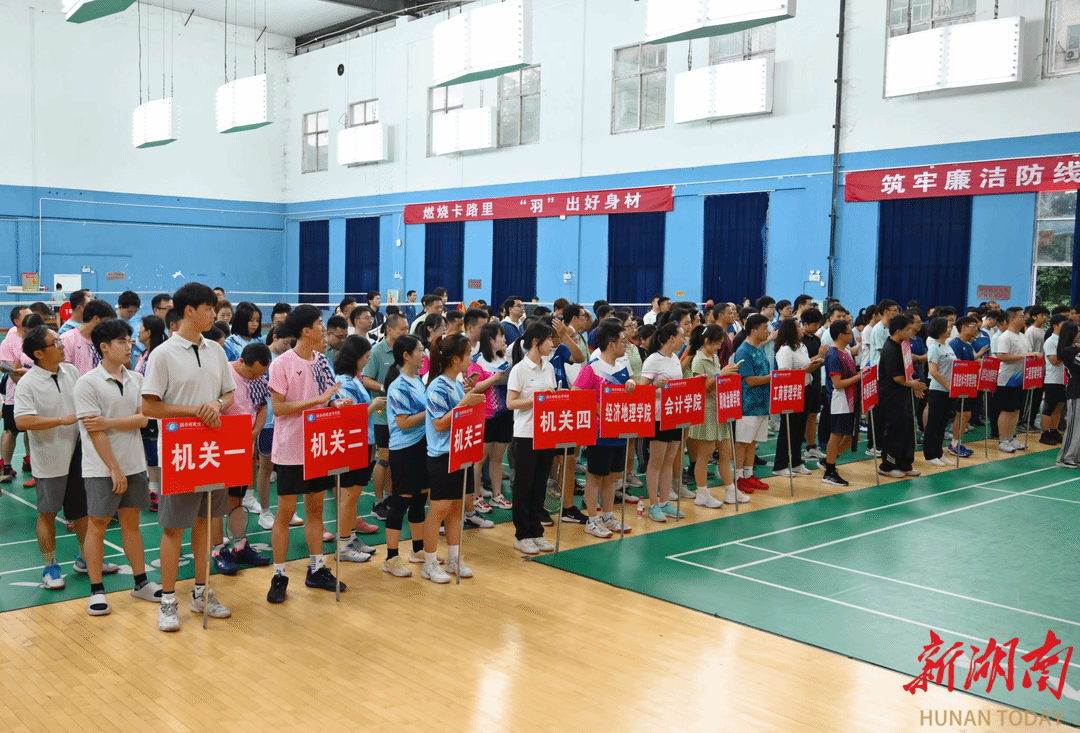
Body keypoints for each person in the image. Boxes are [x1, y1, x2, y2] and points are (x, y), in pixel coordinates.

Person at [141, 282, 235, 632]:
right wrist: (195, 411)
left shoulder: (216, 350)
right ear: (189, 311)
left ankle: (201, 591)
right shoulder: (163, 354)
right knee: (173, 528)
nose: (214, 314)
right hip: (179, 453)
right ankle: (168, 600)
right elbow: (149, 406)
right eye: (209, 308)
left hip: (212, 451)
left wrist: (217, 404)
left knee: (204, 523)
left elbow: (228, 394)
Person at [74, 318, 163, 615]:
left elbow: (143, 419)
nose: (129, 346)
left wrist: (109, 421)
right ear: (104, 347)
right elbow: (94, 431)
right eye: (122, 341)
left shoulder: (136, 379)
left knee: (132, 524)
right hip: (102, 469)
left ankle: (141, 583)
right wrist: (114, 468)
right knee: (98, 524)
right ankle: (96, 590)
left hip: (135, 464)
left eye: (129, 340)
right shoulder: (87, 383)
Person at [265, 305, 348, 604]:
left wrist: (334, 404)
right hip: (290, 451)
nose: (323, 328)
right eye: (319, 324)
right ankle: (279, 575)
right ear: (305, 330)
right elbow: (279, 408)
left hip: (317, 448)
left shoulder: (322, 361)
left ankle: (316, 569)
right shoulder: (281, 364)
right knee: (285, 514)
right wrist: (318, 400)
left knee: (315, 510)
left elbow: (326, 398)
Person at [15, 325, 104, 590]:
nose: (62, 345)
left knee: (82, 513)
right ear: (39, 353)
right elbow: (22, 421)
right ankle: (50, 565)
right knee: (47, 514)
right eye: (55, 343)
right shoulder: (28, 383)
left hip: (78, 456)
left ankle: (86, 559)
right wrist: (60, 420)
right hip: (49, 460)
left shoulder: (71, 372)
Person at [421, 335, 486, 583]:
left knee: (457, 509)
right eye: (468, 354)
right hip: (442, 457)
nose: (471, 358)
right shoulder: (437, 386)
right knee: (438, 510)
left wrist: (467, 398)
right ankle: (429, 563)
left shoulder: (456, 383)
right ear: (455, 359)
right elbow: (439, 424)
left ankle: (454, 558)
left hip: (460, 453)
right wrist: (464, 403)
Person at [209, 343, 274, 575]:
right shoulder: (223, 374)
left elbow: (263, 407)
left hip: (244, 447)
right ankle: (218, 550)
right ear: (242, 362)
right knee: (216, 502)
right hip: (219, 448)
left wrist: (254, 433)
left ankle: (240, 546)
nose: (257, 377)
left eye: (261, 373)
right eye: (253, 372)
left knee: (236, 500)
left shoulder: (260, 379)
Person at [572, 320, 637, 538]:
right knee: (595, 477)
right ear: (611, 344)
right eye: (623, 341)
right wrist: (596, 406)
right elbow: (576, 393)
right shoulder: (593, 367)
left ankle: (608, 516)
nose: (626, 344)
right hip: (599, 433)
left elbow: (630, 389)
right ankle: (592, 520)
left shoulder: (622, 367)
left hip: (619, 430)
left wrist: (632, 385)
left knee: (612, 477)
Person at [506, 322, 559, 555]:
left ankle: (536, 531)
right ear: (536, 342)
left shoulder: (549, 367)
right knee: (524, 486)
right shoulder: (519, 369)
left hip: (546, 433)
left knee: (540, 484)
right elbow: (511, 403)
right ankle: (522, 534)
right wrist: (537, 399)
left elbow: (551, 397)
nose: (552, 344)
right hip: (526, 434)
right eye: (549, 339)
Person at [332, 335, 383, 564]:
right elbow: (349, 417)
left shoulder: (355, 379)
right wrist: (374, 406)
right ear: (355, 357)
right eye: (366, 357)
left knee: (354, 496)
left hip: (364, 441)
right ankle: (343, 545)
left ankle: (351, 538)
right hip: (350, 444)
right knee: (348, 497)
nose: (367, 360)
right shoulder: (342, 383)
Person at [382, 334, 430, 576]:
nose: (423, 354)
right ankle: (391, 558)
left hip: (422, 446)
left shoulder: (417, 380)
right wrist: (432, 411)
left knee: (420, 498)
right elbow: (403, 422)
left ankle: (417, 550)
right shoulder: (399, 386)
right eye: (420, 350)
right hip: (405, 450)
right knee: (400, 501)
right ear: (406, 355)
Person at [685, 325, 746, 506]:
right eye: (718, 343)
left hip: (721, 410)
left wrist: (727, 374)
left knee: (726, 453)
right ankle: (702, 493)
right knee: (704, 456)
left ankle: (730, 490)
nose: (720, 347)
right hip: (707, 412)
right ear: (707, 341)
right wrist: (721, 374)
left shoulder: (714, 357)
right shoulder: (698, 360)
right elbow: (701, 388)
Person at [639, 322, 689, 522]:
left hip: (674, 415)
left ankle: (665, 501)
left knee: (669, 461)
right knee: (656, 462)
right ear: (671, 338)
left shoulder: (675, 358)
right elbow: (642, 390)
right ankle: (653, 504)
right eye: (681, 336)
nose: (684, 340)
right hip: (659, 417)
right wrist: (656, 386)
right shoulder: (653, 360)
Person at [363, 313, 409, 525]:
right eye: (402, 329)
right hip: (382, 416)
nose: (406, 332)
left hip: (402, 415)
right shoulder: (376, 351)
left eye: (407, 328)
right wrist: (386, 388)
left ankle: (390, 497)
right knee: (383, 458)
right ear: (389, 329)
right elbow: (366, 379)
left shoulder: (405, 351)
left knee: (395, 459)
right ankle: (378, 502)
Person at [468, 323, 513, 510]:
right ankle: (475, 496)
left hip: (505, 414)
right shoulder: (476, 361)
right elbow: (472, 388)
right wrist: (492, 380)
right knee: (479, 459)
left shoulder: (507, 360)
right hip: (484, 415)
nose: (504, 339)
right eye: (500, 336)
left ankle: (497, 495)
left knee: (497, 457)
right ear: (490, 340)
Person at [772, 318, 822, 477]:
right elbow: (784, 373)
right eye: (798, 326)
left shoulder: (802, 346)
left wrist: (814, 365)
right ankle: (780, 465)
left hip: (806, 388)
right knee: (788, 429)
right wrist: (805, 370)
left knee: (800, 429)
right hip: (791, 392)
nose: (801, 329)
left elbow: (804, 365)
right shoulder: (785, 350)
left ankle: (796, 462)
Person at [878, 315, 926, 478]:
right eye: (907, 329)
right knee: (894, 431)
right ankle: (887, 466)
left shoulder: (903, 346)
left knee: (907, 430)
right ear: (898, 331)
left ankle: (905, 464)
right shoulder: (890, 349)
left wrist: (913, 385)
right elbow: (897, 378)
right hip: (892, 397)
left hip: (904, 395)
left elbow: (907, 371)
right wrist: (913, 385)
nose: (910, 332)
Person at [733, 314, 773, 496]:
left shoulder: (760, 348)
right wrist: (772, 378)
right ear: (754, 330)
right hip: (747, 405)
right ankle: (738, 477)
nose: (768, 331)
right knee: (743, 442)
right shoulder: (744, 351)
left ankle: (749, 474)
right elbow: (749, 380)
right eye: (765, 328)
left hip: (762, 403)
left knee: (753, 442)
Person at [821, 320, 861, 486]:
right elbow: (837, 384)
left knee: (852, 436)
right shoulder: (833, 355)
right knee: (836, 434)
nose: (852, 336)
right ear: (840, 335)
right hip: (839, 400)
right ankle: (829, 472)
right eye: (849, 333)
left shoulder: (846, 352)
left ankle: (828, 460)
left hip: (850, 399)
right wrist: (859, 377)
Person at [0, 305, 34, 484]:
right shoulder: (9, 340)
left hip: (36, 393)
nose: (31, 317)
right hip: (15, 394)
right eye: (27, 315)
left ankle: (30, 461)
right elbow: (6, 367)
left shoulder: (36, 337)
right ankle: (6, 467)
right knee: (10, 430)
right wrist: (24, 381)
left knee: (32, 429)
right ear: (17, 321)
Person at [996, 307, 1036, 453]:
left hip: (1020, 379)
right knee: (1007, 410)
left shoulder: (1023, 336)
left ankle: (1011, 437)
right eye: (1021, 316)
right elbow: (1002, 356)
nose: (1024, 318)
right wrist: (1023, 356)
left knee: (1016, 410)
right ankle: (1003, 440)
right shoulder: (1005, 337)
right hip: (1007, 379)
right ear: (1012, 319)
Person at [923, 317, 957, 467]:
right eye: (947, 327)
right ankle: (930, 454)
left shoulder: (947, 346)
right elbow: (933, 371)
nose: (950, 329)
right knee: (934, 423)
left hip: (949, 390)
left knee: (943, 423)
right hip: (938, 390)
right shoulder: (934, 347)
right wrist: (947, 385)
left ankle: (939, 452)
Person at [61, 300, 116, 376]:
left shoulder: (105, 341)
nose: (109, 327)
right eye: (107, 322)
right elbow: (64, 372)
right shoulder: (67, 339)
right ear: (96, 319)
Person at [800, 308, 827, 462]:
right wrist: (819, 356)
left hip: (816, 380)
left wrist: (823, 359)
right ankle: (796, 449)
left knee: (813, 415)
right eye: (814, 324)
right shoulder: (800, 341)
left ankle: (811, 447)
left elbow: (816, 361)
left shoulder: (816, 339)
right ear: (805, 324)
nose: (817, 327)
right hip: (804, 383)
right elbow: (803, 364)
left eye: (818, 324)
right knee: (802, 417)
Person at [1040, 314, 1069, 445]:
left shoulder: (1064, 340)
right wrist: (1067, 352)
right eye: (1063, 324)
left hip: (1063, 379)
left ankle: (1054, 430)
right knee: (1049, 407)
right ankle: (1045, 433)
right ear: (1055, 326)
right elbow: (1054, 360)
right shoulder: (1051, 341)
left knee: (1059, 407)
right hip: (1052, 379)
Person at [1055, 322, 1080, 468]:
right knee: (1073, 427)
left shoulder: (1074, 349)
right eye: (1078, 332)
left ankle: (1075, 456)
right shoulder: (1069, 351)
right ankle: (1065, 458)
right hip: (1076, 392)